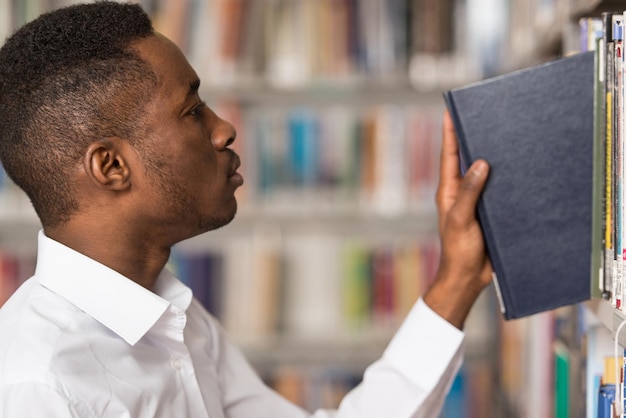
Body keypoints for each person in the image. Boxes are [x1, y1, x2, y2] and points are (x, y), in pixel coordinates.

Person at [0, 2, 492, 417]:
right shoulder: (39, 387)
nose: (224, 130)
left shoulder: (177, 320)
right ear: (111, 166)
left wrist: (459, 278)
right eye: (192, 112)